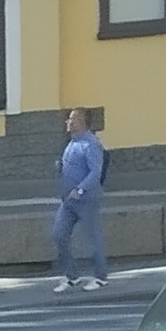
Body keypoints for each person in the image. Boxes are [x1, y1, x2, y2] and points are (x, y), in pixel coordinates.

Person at [52, 108, 108, 292]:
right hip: (68, 201)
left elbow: (95, 171)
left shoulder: (91, 144)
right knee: (59, 234)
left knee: (92, 238)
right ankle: (71, 276)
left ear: (82, 121)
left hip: (86, 199)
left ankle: (100, 277)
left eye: (72, 119)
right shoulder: (71, 143)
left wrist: (81, 189)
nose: (68, 122)